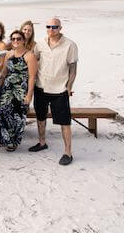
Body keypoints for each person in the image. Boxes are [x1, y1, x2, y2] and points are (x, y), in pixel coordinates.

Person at [29, 18, 78, 166]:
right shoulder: (41, 43)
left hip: (60, 89)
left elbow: (73, 68)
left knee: (64, 122)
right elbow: (33, 59)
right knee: (40, 117)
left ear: (60, 28)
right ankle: (42, 142)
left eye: (54, 27)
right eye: (48, 26)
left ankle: (68, 152)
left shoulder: (70, 45)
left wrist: (69, 86)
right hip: (41, 86)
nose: (51, 29)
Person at [0, 30, 37, 151]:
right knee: (3, 111)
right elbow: (4, 72)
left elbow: (32, 77)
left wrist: (29, 95)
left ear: (24, 40)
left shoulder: (30, 55)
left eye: (18, 38)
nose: (16, 41)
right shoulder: (9, 54)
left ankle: (13, 142)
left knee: (18, 114)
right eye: (13, 39)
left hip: (21, 89)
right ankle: (5, 139)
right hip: (7, 87)